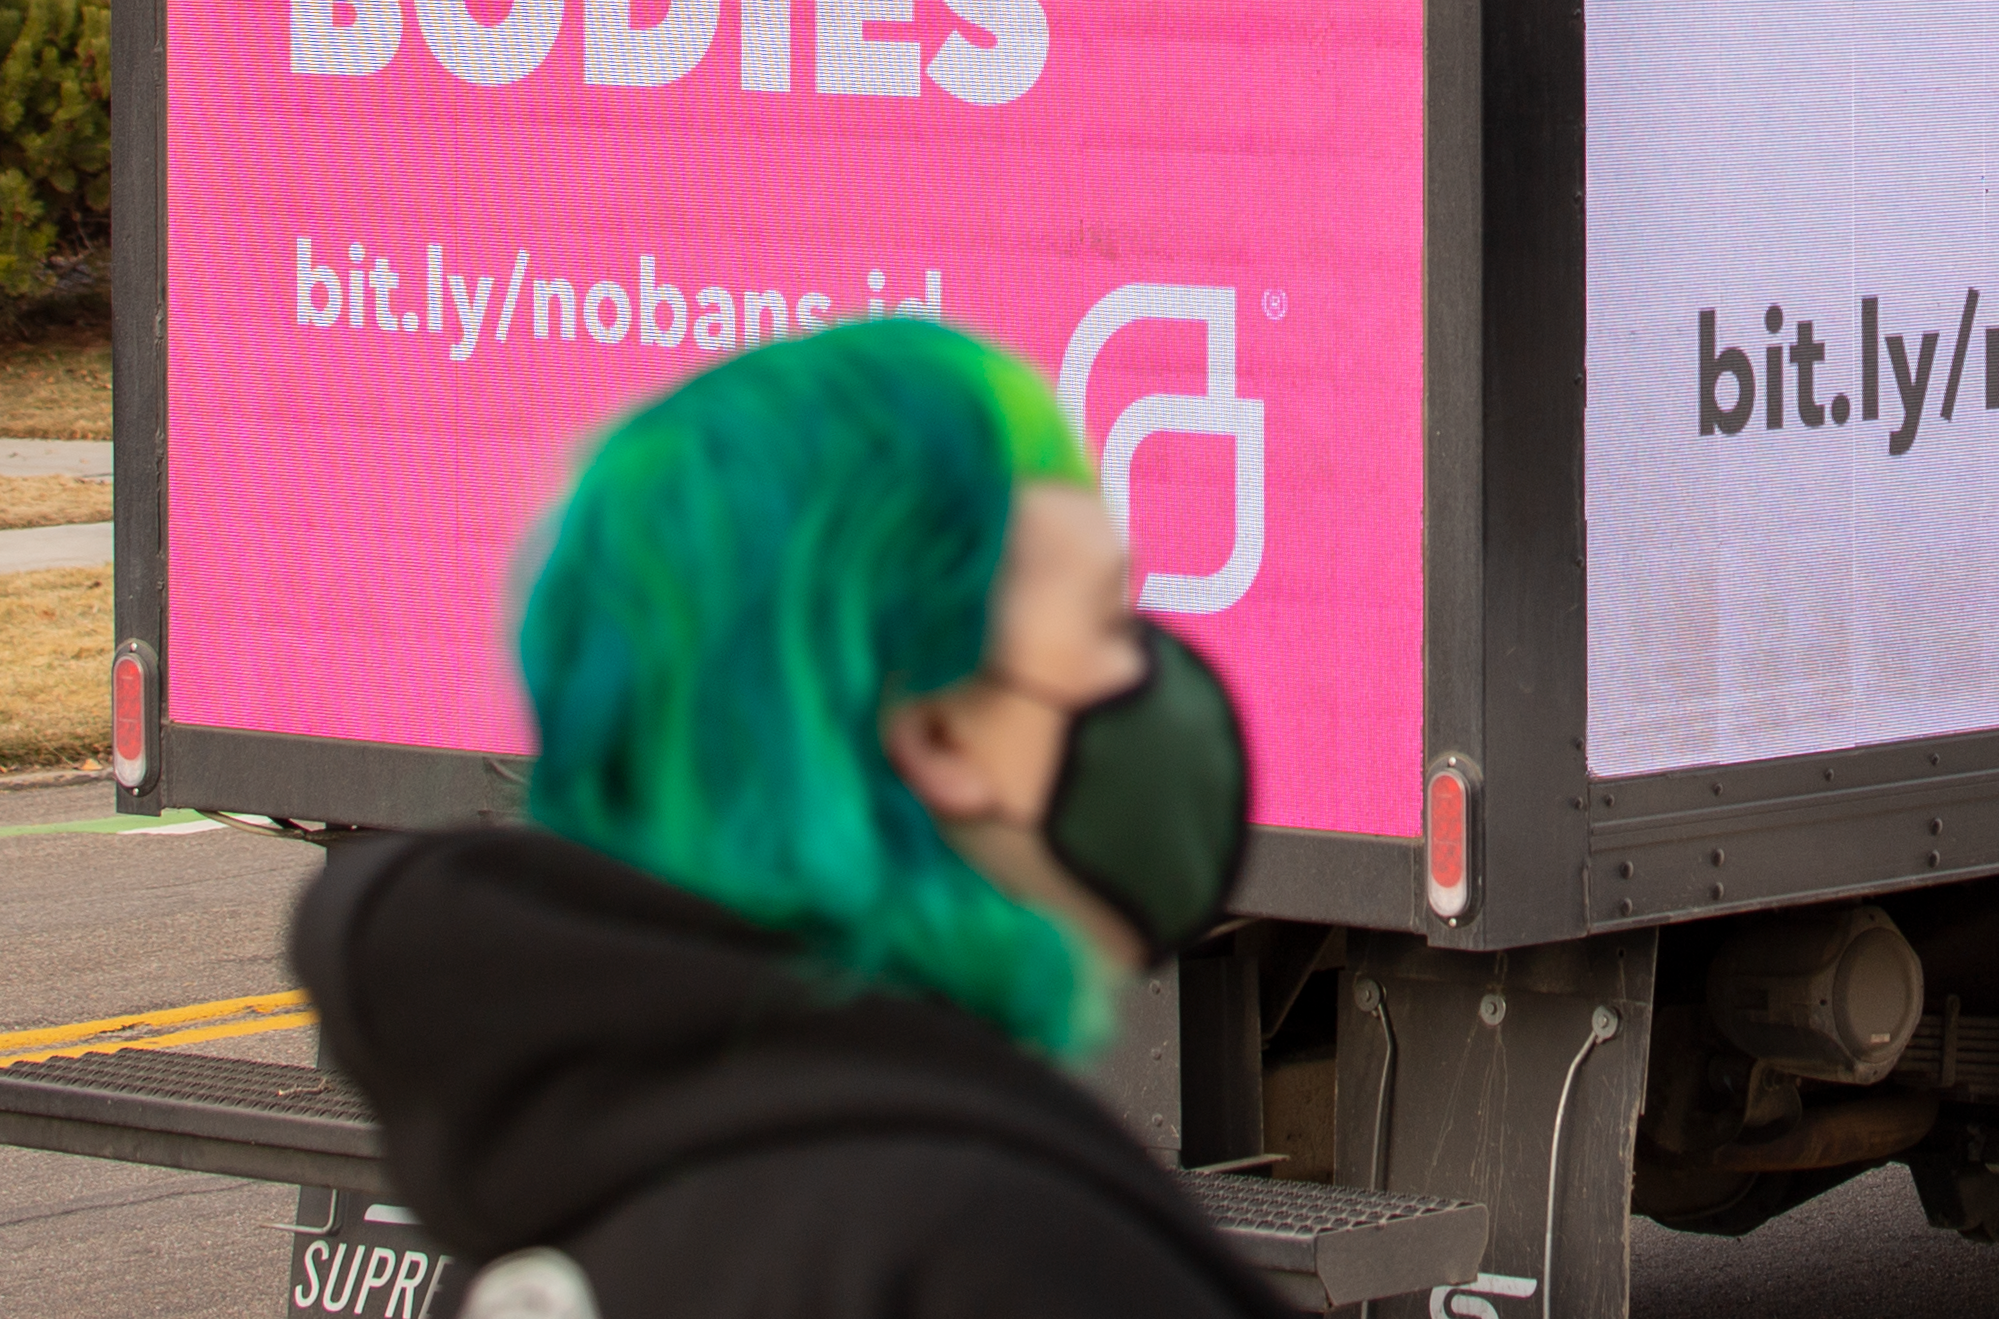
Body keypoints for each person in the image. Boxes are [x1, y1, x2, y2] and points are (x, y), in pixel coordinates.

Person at [292, 318, 1277, 1319]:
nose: (1151, 677)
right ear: (937, 731)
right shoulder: (1002, 1254)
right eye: (1106, 623)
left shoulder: (557, 1234)